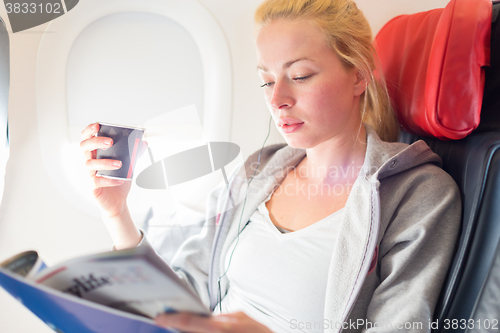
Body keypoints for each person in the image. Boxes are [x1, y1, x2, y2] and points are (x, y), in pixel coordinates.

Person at [80, 0, 461, 332]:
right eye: (266, 81)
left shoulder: (417, 195)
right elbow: (182, 302)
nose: (277, 98)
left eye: (300, 76)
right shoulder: (259, 171)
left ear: (358, 75)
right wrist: (117, 214)